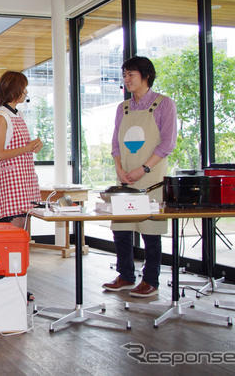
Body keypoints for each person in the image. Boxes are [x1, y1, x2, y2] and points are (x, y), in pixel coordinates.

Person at [102, 56, 177, 298]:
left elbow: (168, 143)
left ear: (146, 76)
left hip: (151, 178)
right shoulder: (122, 108)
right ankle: (125, 274)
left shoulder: (165, 105)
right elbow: (115, 143)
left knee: (150, 231)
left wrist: (143, 169)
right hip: (125, 177)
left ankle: (151, 280)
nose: (126, 80)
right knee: (121, 229)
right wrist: (119, 169)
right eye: (124, 75)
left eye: (130, 75)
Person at [0, 71, 43, 230]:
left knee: (25, 230)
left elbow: (20, 148)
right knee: (15, 231)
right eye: (23, 88)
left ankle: (24, 256)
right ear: (14, 90)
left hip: (25, 179)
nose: (26, 92)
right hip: (13, 181)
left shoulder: (18, 114)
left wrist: (34, 146)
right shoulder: (2, 117)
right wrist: (26, 148)